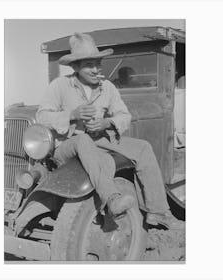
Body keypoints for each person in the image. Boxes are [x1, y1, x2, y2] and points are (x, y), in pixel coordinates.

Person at [36, 32, 184, 230]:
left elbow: (124, 115)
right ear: (76, 67)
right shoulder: (59, 86)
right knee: (83, 141)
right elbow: (42, 116)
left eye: (98, 63)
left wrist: (106, 123)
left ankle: (157, 212)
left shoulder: (107, 87)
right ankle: (112, 198)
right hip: (68, 145)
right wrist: (72, 114)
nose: (96, 69)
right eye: (89, 65)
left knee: (143, 148)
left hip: (98, 139)